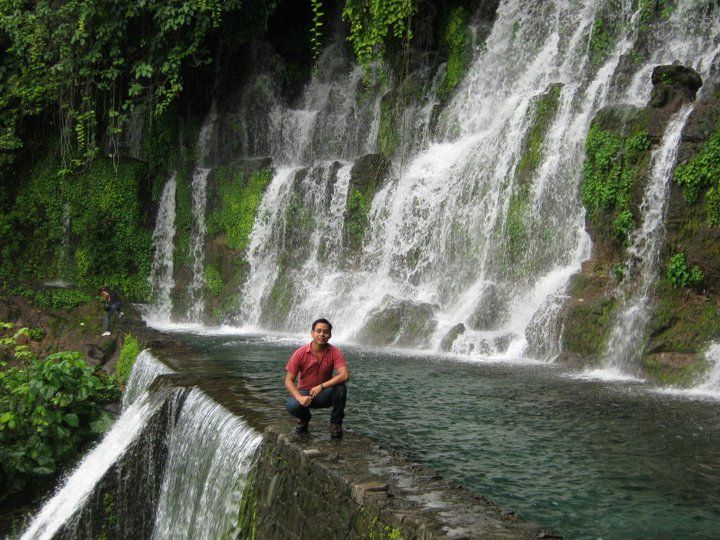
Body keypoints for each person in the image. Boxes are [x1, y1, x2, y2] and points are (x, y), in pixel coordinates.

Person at [285, 318, 349, 438]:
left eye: (325, 332)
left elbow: (344, 375)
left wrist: (322, 386)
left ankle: (336, 423)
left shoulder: (334, 352)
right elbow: (288, 380)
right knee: (292, 405)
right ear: (312, 333)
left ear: (330, 335)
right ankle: (304, 419)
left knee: (341, 387)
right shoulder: (300, 353)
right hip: (305, 393)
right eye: (318, 331)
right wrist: (299, 397)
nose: (321, 334)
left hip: (324, 394)